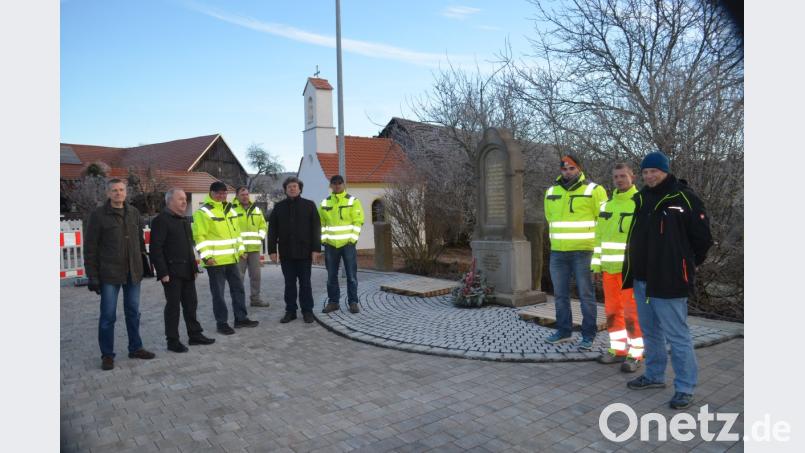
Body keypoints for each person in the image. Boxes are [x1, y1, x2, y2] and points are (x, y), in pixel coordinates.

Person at [622, 151, 712, 410]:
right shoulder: (641, 198)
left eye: (654, 171)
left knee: (677, 335)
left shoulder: (684, 198)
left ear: (665, 171)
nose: (649, 176)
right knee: (650, 331)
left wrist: (684, 264)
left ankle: (685, 387)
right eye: (646, 172)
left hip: (670, 280)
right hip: (642, 279)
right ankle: (654, 375)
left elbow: (703, 240)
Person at [84, 178, 155, 370]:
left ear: (126, 192)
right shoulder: (98, 215)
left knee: (133, 312)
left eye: (121, 190)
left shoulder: (133, 212)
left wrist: (144, 263)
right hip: (109, 273)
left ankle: (136, 347)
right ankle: (107, 354)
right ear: (108, 193)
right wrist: (93, 275)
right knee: (108, 316)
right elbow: (90, 248)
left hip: (133, 272)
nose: (118, 193)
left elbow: (139, 240)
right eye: (114, 190)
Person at [543, 155, 608, 350]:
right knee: (560, 295)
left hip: (584, 252)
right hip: (558, 253)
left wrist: (600, 254)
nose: (568, 172)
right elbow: (549, 218)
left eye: (572, 168)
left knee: (586, 296)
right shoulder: (551, 191)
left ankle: (588, 335)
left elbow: (605, 222)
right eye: (564, 169)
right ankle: (564, 331)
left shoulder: (594, 190)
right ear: (560, 170)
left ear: (579, 169)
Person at [150, 188, 216, 352]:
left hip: (187, 270)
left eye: (185, 199)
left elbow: (188, 247)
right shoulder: (161, 220)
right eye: (180, 199)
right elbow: (156, 249)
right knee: (173, 307)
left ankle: (195, 335)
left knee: (191, 304)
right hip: (171, 273)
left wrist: (194, 268)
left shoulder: (184, 220)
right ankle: (172, 341)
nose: (184, 201)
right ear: (169, 201)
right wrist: (162, 272)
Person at [592, 164, 643, 372]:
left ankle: (636, 353)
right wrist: (596, 265)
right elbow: (598, 238)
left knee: (633, 313)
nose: (619, 180)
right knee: (613, 312)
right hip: (609, 270)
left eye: (623, 176)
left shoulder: (639, 203)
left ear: (633, 177)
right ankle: (618, 349)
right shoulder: (606, 205)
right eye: (616, 176)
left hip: (630, 269)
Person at [192, 181, 259, 335]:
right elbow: (199, 237)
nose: (222, 196)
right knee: (219, 294)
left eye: (224, 193)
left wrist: (241, 250)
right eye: (219, 193)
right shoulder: (203, 212)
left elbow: (236, 233)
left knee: (238, 289)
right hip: (214, 261)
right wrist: (206, 256)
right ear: (211, 193)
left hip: (232, 259)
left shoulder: (230, 209)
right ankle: (221, 323)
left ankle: (240, 319)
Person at [267, 177, 321, 324]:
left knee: (305, 283)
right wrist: (272, 250)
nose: (292, 188)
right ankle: (290, 311)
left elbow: (316, 228)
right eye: (289, 186)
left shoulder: (309, 205)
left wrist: (316, 249)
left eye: (295, 186)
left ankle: (307, 311)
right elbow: (272, 230)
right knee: (289, 284)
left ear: (300, 189)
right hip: (286, 253)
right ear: (285, 189)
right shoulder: (278, 207)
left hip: (305, 252)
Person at [319, 175, 365, 314]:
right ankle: (333, 302)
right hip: (330, 245)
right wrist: (324, 240)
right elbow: (321, 224)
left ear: (343, 185)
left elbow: (358, 221)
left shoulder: (353, 201)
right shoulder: (325, 203)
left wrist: (352, 239)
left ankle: (353, 302)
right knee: (331, 276)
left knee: (351, 275)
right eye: (334, 183)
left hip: (348, 245)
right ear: (331, 186)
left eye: (340, 183)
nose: (337, 185)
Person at [232, 186, 269, 307]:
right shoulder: (231, 210)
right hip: (239, 250)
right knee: (238, 278)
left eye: (247, 194)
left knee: (256, 276)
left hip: (254, 249)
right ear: (237, 196)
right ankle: (239, 302)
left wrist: (259, 237)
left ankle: (255, 299)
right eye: (242, 194)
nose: (245, 196)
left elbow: (263, 226)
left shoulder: (256, 210)